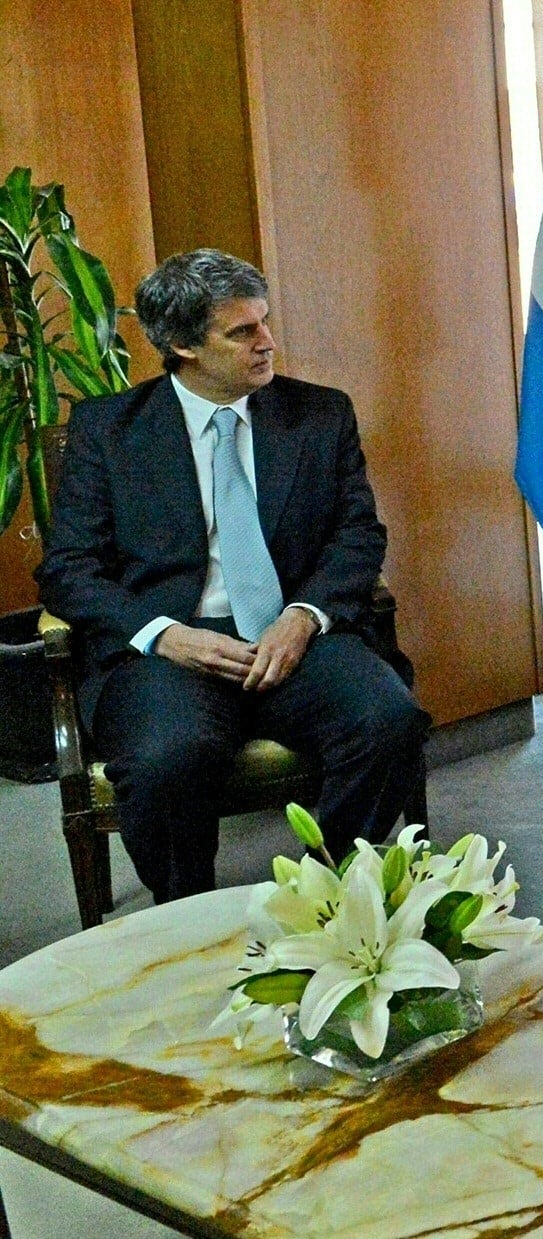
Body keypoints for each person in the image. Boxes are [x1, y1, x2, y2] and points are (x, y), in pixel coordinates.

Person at [36, 248, 427, 904]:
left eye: (265, 320)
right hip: (173, 651)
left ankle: (323, 897)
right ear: (181, 345)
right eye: (243, 331)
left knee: (388, 719)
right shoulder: (109, 432)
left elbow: (359, 536)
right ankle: (188, 914)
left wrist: (304, 617)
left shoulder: (319, 415)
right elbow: (68, 568)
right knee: (167, 758)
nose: (267, 341)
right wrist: (161, 634)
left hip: (295, 633)